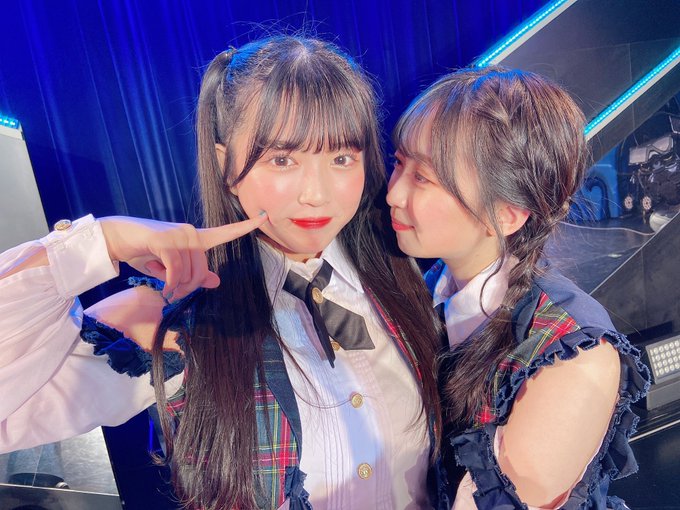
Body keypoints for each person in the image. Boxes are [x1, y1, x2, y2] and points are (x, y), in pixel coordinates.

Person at [0, 36, 445, 510]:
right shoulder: (180, 318)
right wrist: (102, 241)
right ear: (225, 163)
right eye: (282, 159)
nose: (317, 194)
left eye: (341, 159)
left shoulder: (402, 277)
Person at [386, 67, 651, 509]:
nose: (394, 194)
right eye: (399, 163)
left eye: (423, 178)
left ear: (507, 214)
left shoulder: (572, 356)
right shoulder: (426, 288)